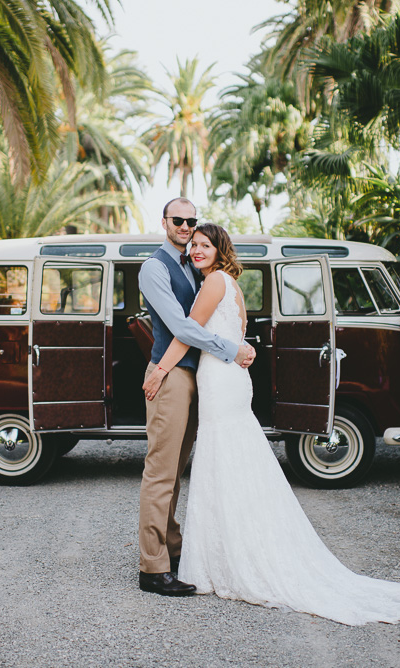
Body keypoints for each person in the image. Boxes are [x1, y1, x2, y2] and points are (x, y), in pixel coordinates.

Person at [142, 223, 400, 625]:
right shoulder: (227, 281)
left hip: (219, 379)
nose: (197, 249)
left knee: (221, 461)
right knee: (233, 462)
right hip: (228, 379)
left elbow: (187, 332)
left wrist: (158, 370)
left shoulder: (212, 283)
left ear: (220, 250)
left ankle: (225, 556)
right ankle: (233, 548)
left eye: (205, 244)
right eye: (194, 245)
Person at [136, 198, 256, 597]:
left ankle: (172, 552)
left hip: (195, 378)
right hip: (171, 377)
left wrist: (235, 345)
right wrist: (232, 348)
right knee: (161, 473)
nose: (186, 226)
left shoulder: (194, 266)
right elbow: (181, 327)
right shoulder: (155, 267)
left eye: (192, 221)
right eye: (179, 220)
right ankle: (153, 569)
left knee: (176, 473)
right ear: (165, 221)